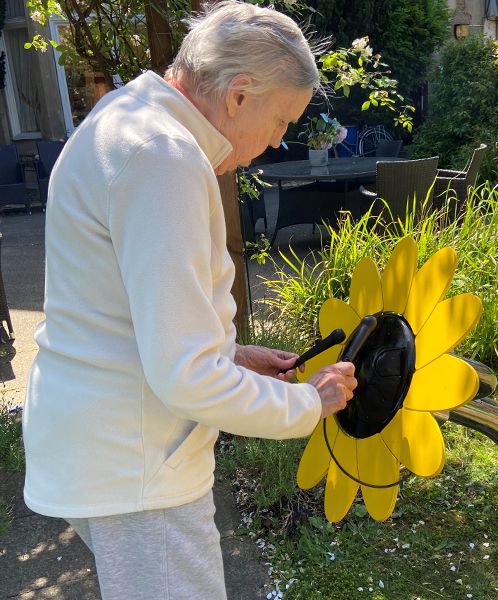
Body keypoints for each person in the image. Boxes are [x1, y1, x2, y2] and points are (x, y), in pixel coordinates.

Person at [22, 2, 357, 599]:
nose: (279, 141)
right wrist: (309, 403)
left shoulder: (127, 120)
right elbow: (186, 378)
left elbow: (125, 311)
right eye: (282, 121)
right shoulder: (162, 156)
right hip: (139, 469)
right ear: (238, 95)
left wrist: (228, 352)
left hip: (107, 449)